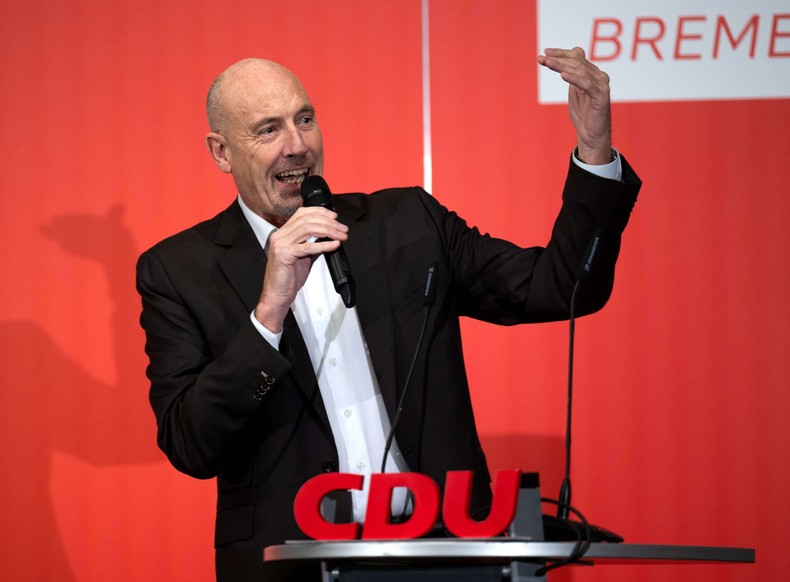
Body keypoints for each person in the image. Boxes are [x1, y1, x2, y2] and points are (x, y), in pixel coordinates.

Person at [136, 48, 641, 581]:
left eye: (304, 119)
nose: (298, 146)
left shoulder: (406, 224)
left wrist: (594, 150)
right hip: (291, 564)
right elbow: (191, 445)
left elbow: (561, 286)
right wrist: (269, 312)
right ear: (221, 151)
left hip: (443, 553)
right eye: (267, 130)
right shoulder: (178, 270)